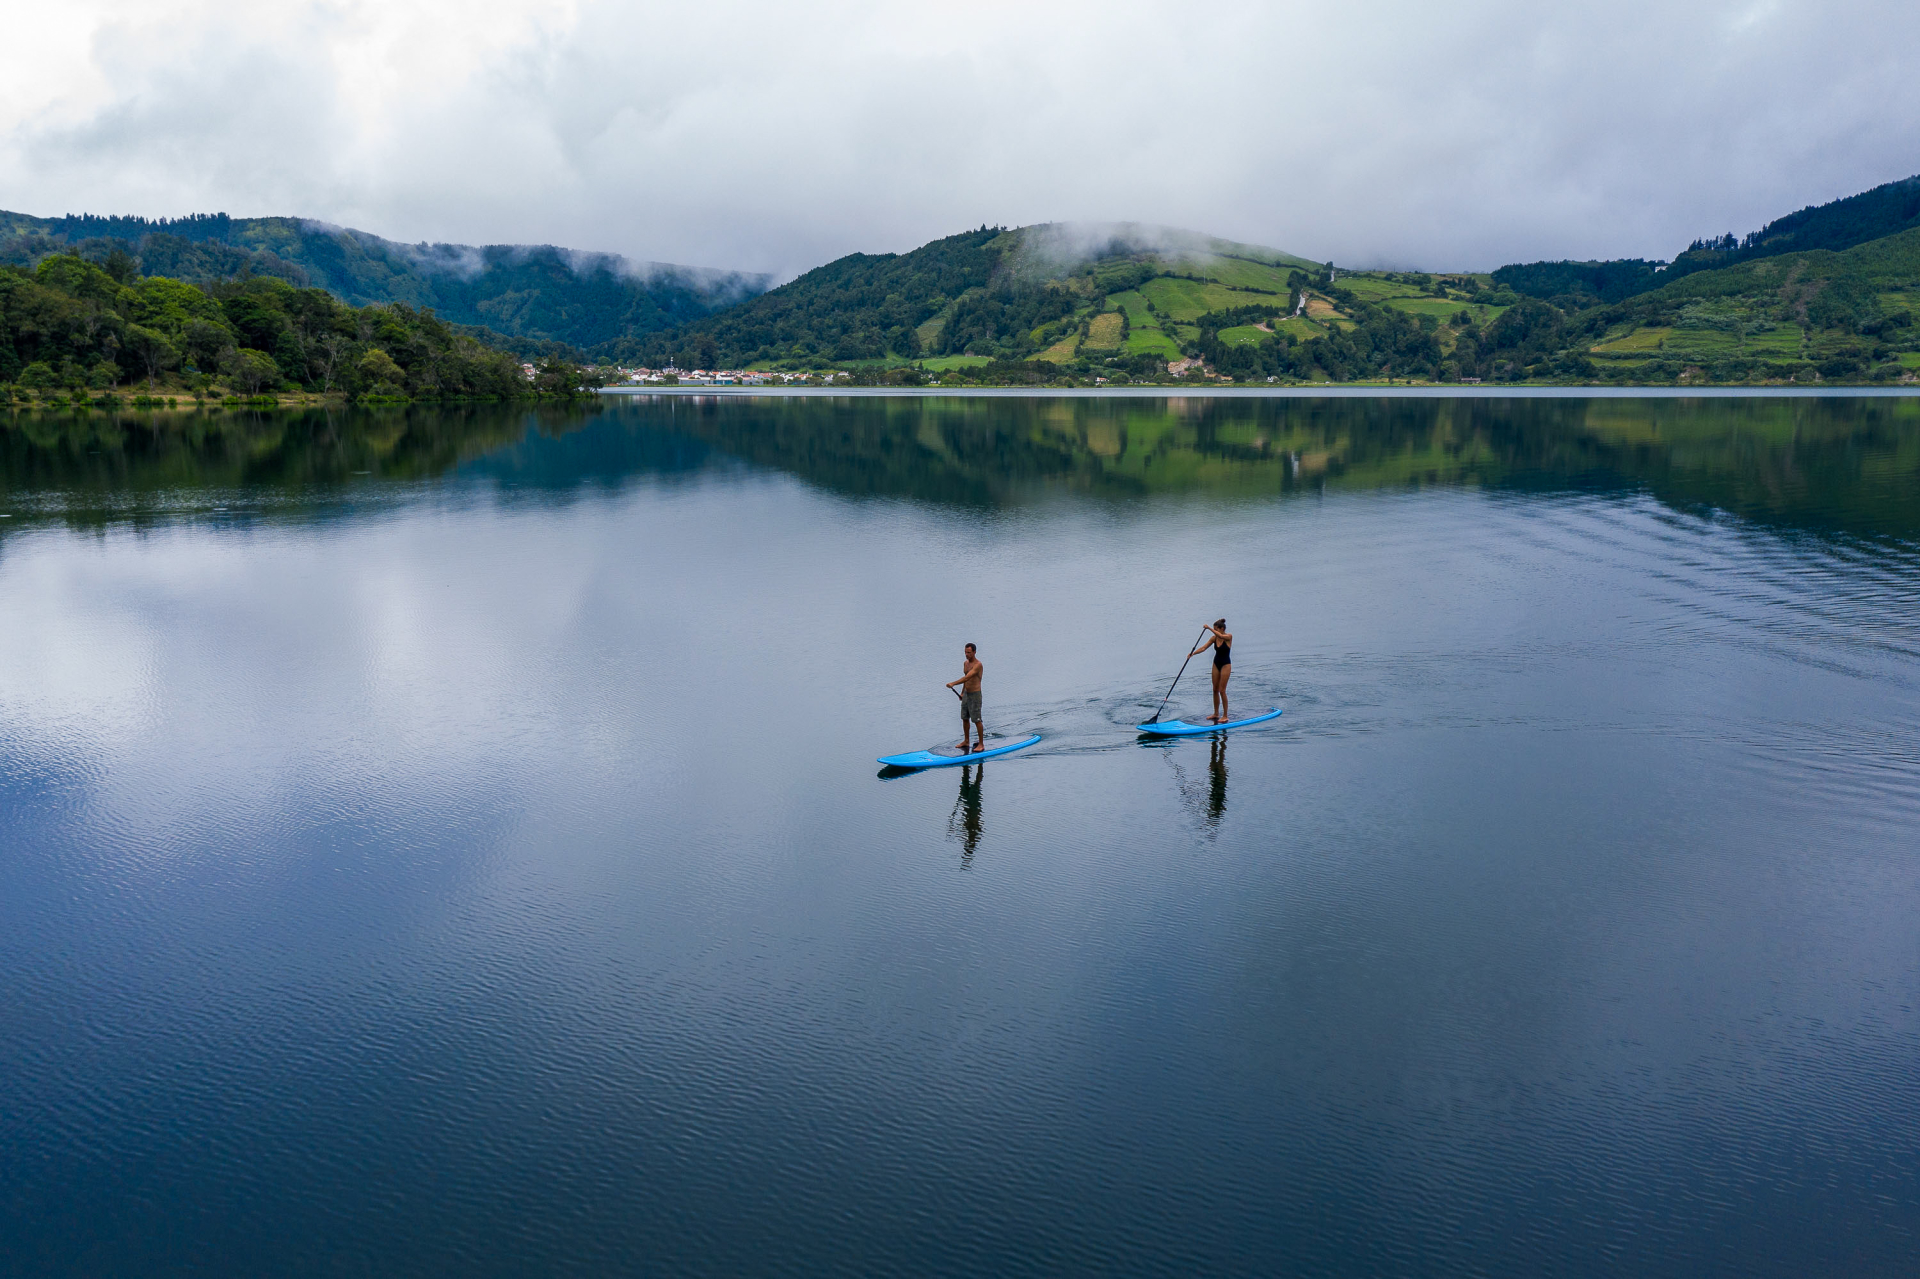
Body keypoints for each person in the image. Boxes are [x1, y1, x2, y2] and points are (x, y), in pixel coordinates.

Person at [1190, 618, 1232, 723]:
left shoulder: (1228, 637)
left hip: (1226, 664)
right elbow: (1203, 648)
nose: (1215, 632)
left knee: (1222, 690)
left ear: (1222, 629)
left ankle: (1225, 715)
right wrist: (1193, 653)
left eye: (1216, 629)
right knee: (1215, 689)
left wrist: (1208, 628)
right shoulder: (1214, 638)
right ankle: (1216, 713)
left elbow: (1221, 636)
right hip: (1216, 663)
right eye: (1214, 630)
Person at [946, 642, 984, 754]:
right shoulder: (965, 663)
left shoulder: (978, 665)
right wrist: (962, 693)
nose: (966, 654)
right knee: (964, 718)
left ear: (974, 652)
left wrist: (953, 683)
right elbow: (966, 680)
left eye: (969, 652)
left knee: (977, 720)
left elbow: (967, 677)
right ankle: (966, 741)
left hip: (975, 695)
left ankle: (981, 744)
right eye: (965, 652)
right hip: (967, 694)